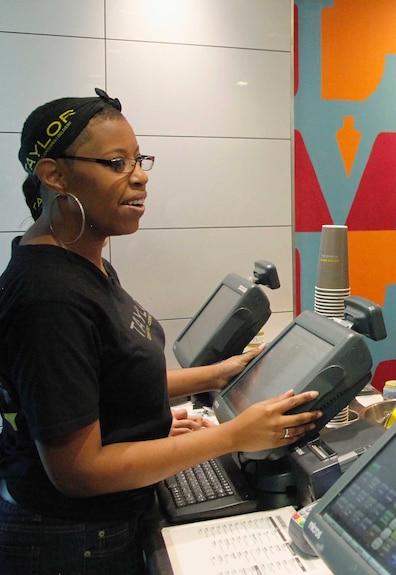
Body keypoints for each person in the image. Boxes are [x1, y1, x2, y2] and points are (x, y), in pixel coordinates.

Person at [0, 89, 323, 574]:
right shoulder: (49, 297)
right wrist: (234, 435)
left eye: (139, 159)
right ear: (53, 174)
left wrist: (213, 377)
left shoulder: (82, 262)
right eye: (115, 163)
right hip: (72, 540)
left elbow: (100, 381)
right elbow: (78, 472)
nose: (141, 177)